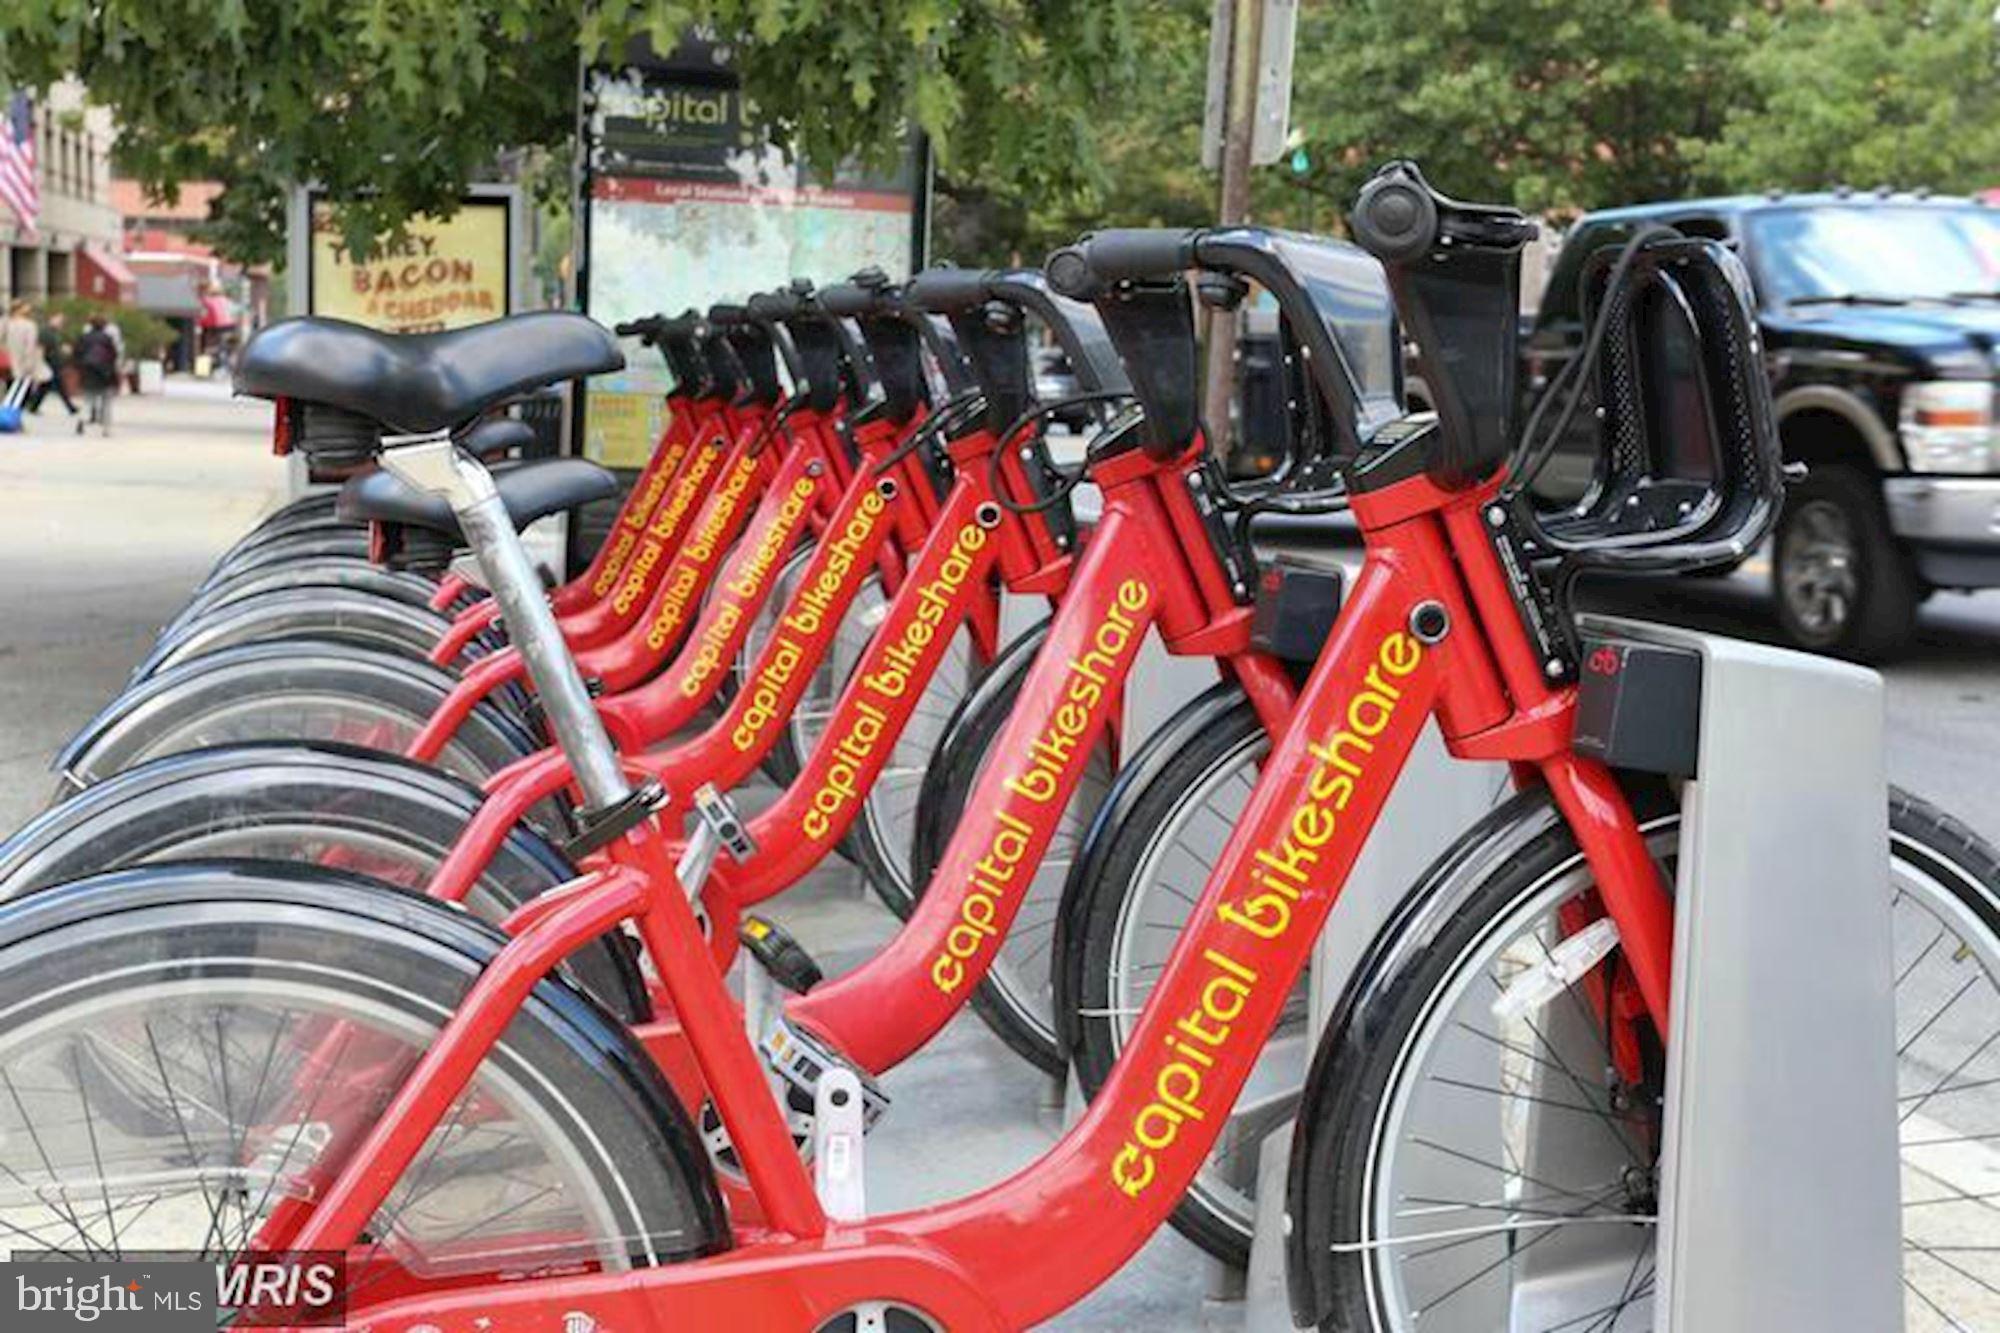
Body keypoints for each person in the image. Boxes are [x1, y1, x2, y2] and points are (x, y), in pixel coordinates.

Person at [73, 315, 117, 437]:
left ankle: (82, 421)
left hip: (88, 372)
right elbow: (113, 356)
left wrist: (80, 368)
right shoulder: (107, 339)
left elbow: (76, 354)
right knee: (106, 402)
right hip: (105, 374)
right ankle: (106, 428)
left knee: (88, 400)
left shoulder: (84, 338)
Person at [31, 310, 77, 419]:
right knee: (59, 385)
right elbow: (41, 347)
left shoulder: (55, 332)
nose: (60, 323)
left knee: (45, 387)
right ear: (51, 318)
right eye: (59, 320)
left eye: (62, 321)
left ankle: (33, 406)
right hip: (48, 362)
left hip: (55, 362)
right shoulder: (45, 332)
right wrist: (39, 362)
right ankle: (70, 407)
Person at [2, 301, 41, 397]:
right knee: (22, 391)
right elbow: (30, 346)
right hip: (23, 363)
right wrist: (30, 364)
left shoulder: (5, 323)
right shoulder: (29, 325)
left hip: (7, 362)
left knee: (9, 388)